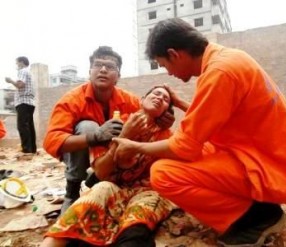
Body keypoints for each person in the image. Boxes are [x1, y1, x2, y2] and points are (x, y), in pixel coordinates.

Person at [112, 18, 286, 247]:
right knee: (199, 150)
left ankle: (256, 218)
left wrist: (135, 146)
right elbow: (214, 119)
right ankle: (256, 208)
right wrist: (179, 104)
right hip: (276, 159)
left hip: (273, 168)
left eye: (164, 65)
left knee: (162, 172)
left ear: (174, 54)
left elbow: (183, 147)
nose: (168, 74)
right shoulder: (229, 58)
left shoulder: (219, 73)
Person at [43, 46, 174, 214]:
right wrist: (94, 136)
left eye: (110, 67)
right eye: (98, 65)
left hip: (111, 164)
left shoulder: (129, 100)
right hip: (84, 155)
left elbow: (150, 115)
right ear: (90, 71)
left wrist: (164, 118)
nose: (103, 70)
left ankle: (99, 183)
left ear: (118, 77)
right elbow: (51, 141)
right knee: (87, 126)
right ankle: (72, 191)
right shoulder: (72, 100)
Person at [41, 86, 176, 247]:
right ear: (141, 100)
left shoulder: (166, 135)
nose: (160, 98)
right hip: (113, 185)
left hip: (146, 190)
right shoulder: (114, 126)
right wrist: (125, 135)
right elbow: (101, 172)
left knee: (138, 223)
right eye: (156, 93)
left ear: (167, 111)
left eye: (166, 99)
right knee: (94, 195)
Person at [5, 56, 36, 153]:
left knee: (22, 126)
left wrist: (10, 81)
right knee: (29, 126)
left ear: (22, 62)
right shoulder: (29, 72)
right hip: (29, 102)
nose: (16, 65)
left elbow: (20, 85)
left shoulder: (22, 71)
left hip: (23, 101)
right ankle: (32, 149)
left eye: (17, 63)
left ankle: (26, 150)